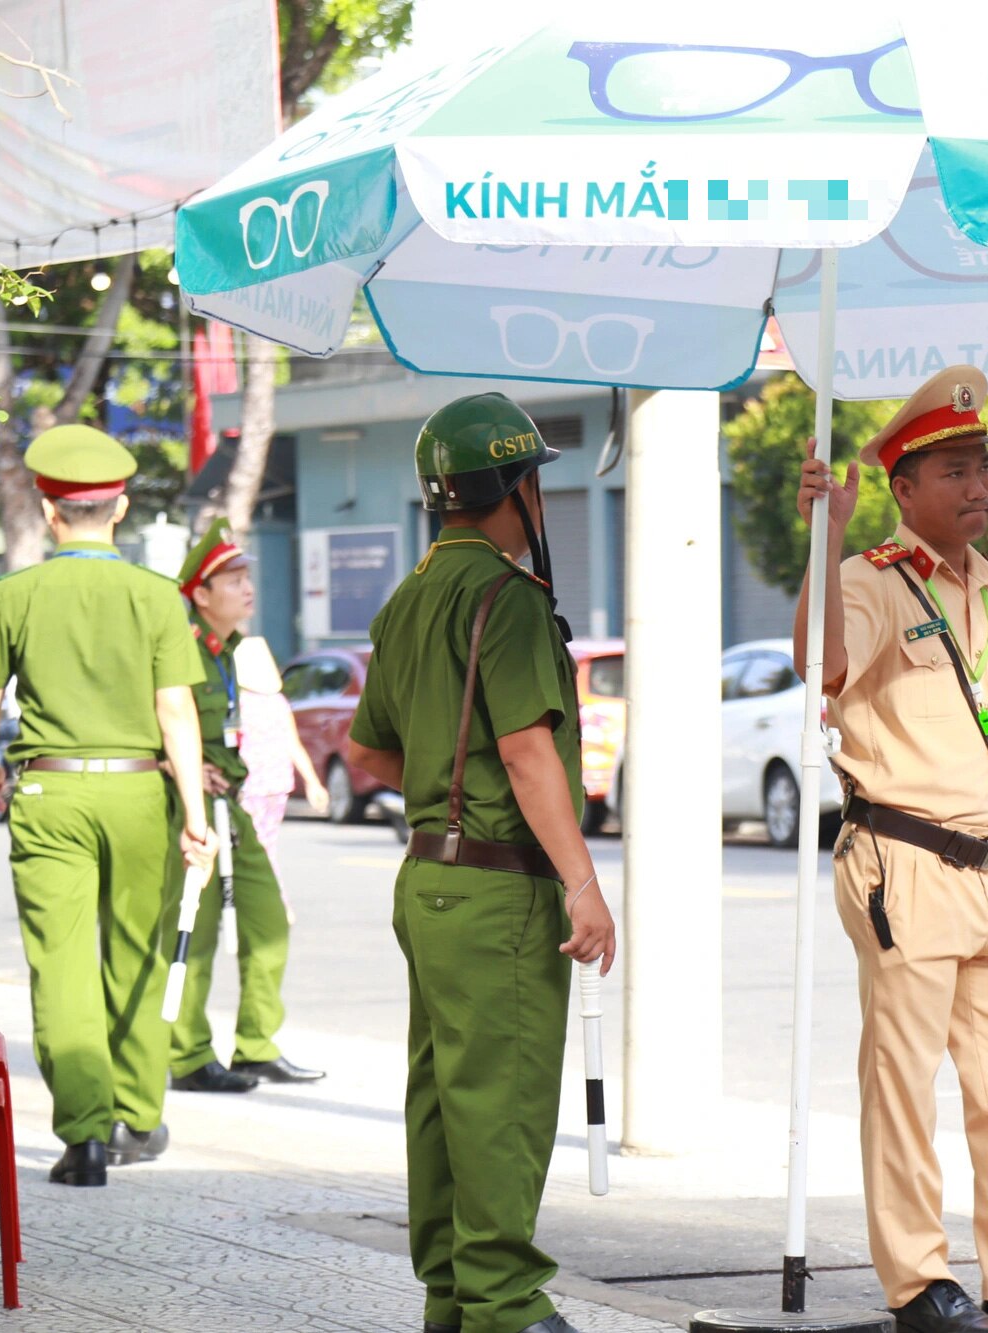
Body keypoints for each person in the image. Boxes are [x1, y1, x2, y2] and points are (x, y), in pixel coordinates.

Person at [795, 365, 988, 1333]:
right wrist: (826, 535)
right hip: (901, 862)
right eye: (955, 469)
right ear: (904, 487)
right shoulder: (867, 581)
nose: (977, 486)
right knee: (901, 1079)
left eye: (983, 467)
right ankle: (917, 1280)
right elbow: (823, 664)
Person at [345, 392, 615, 1333]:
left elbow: (367, 754)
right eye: (534, 480)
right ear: (512, 488)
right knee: (499, 1093)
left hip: (427, 876)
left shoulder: (411, 596)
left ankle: (453, 1296)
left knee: (442, 1093)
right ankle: (505, 1301)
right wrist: (583, 882)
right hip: (501, 881)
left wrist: (438, 786)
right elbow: (528, 751)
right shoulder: (504, 597)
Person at [0, 424, 211, 1186]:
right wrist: (196, 815)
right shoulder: (158, 595)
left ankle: (85, 1139)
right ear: (123, 508)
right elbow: (176, 712)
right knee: (137, 947)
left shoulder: (17, 593)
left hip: (50, 787)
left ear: (48, 509)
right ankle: (140, 1113)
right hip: (140, 789)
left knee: (61, 962)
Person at [165, 520, 324, 1093]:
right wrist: (171, 764)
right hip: (189, 806)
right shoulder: (178, 644)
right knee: (197, 931)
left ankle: (256, 1047)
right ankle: (188, 1056)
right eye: (233, 580)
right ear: (201, 595)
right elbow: (147, 716)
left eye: (246, 577)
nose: (247, 588)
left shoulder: (229, 649)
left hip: (231, 801)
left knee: (268, 920)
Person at [234, 634, 330, 870]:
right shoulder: (278, 702)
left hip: (250, 785)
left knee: (250, 849)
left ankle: (274, 901)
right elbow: (293, 743)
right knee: (267, 845)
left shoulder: (239, 703)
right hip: (278, 784)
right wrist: (313, 783)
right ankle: (276, 899)